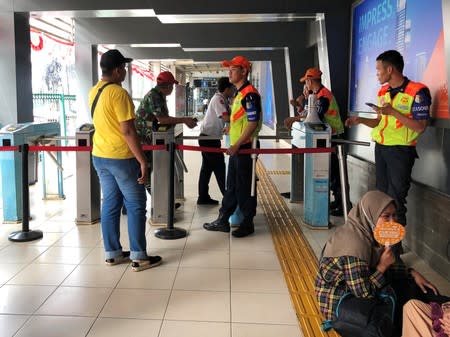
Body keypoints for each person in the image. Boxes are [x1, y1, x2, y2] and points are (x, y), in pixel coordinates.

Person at [315, 190, 448, 336]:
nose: (393, 222)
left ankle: (442, 310)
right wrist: (383, 266)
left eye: (394, 215)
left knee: (415, 287)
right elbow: (364, 293)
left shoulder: (370, 233)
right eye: (386, 216)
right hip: (342, 301)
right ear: (370, 215)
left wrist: (411, 273)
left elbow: (390, 264)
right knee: (385, 321)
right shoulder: (353, 245)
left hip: (364, 285)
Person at [90, 49, 162, 272]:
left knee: (110, 204)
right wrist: (142, 161)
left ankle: (112, 253)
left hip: (99, 156)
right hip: (121, 158)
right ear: (117, 70)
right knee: (136, 204)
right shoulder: (119, 94)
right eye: (124, 68)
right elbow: (128, 131)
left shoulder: (94, 91)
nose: (125, 72)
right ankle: (139, 256)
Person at [345, 50, 431, 231]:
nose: (376, 73)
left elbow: (420, 127)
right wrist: (359, 120)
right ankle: (383, 246)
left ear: (390, 69)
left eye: (378, 69)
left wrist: (393, 112)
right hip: (382, 148)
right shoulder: (383, 91)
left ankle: (394, 252)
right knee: (382, 199)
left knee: (396, 200)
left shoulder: (418, 92)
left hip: (400, 152)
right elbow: (379, 122)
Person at [203, 55, 262, 238]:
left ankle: (247, 222)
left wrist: (236, 144)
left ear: (244, 71)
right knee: (232, 186)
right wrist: (231, 128)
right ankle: (223, 219)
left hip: (245, 148)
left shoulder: (249, 93)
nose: (229, 72)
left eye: (233, 69)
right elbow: (241, 120)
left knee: (244, 187)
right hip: (238, 147)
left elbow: (252, 123)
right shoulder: (239, 93)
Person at [284, 68, 346, 216]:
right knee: (331, 172)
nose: (305, 84)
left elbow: (315, 116)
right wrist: (299, 106)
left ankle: (342, 203)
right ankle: (337, 201)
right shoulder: (316, 96)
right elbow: (308, 115)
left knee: (335, 173)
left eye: (306, 81)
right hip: (326, 137)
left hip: (334, 137)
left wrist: (294, 118)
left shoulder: (324, 96)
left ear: (310, 81)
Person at [135, 71, 197, 200]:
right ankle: (157, 202)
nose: (173, 89)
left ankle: (160, 201)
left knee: (148, 167)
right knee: (145, 167)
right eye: (172, 86)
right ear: (167, 86)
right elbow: (163, 119)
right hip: (143, 138)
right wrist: (184, 120)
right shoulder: (155, 96)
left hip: (149, 135)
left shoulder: (159, 95)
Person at [197, 77, 234, 205]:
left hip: (209, 137)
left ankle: (203, 197)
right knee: (219, 168)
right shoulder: (219, 99)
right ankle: (229, 199)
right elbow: (225, 117)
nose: (233, 90)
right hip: (209, 139)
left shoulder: (222, 99)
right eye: (232, 88)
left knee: (206, 169)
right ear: (227, 89)